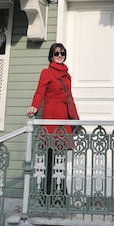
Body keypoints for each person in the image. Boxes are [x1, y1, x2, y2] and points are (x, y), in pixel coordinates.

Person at [27, 42, 79, 195]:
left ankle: (61, 194)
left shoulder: (67, 75)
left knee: (60, 158)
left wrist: (76, 119)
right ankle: (46, 194)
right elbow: (39, 93)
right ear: (51, 56)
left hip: (63, 118)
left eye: (62, 53)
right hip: (51, 116)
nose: (59, 56)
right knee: (50, 157)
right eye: (56, 53)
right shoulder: (46, 72)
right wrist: (34, 108)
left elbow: (70, 98)